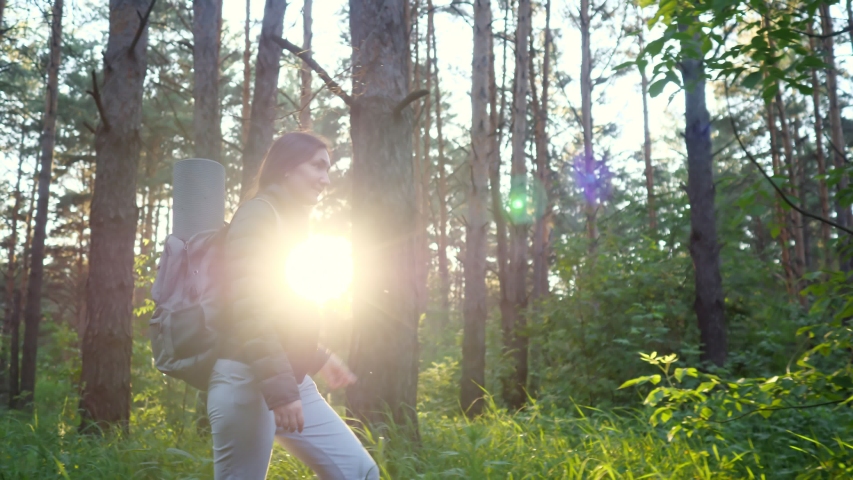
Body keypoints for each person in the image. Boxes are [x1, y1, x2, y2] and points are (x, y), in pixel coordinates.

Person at [207, 132, 380, 480]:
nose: (326, 180)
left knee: (359, 473)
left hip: (286, 376)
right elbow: (249, 309)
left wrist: (317, 356)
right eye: (318, 166)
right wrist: (281, 393)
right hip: (247, 380)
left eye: (329, 170)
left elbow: (280, 311)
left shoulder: (291, 222)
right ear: (286, 168)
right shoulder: (258, 215)